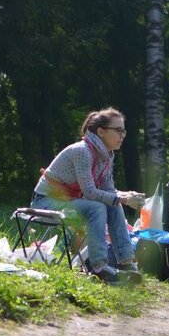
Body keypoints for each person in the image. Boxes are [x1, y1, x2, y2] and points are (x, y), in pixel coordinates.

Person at [30, 108, 144, 285]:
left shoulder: (106, 155)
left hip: (69, 201)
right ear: (101, 132)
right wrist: (122, 198)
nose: (122, 135)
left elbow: (108, 191)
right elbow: (90, 192)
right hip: (45, 202)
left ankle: (126, 263)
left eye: (124, 131)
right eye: (118, 130)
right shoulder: (82, 151)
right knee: (96, 207)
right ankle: (99, 267)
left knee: (114, 205)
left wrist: (127, 195)